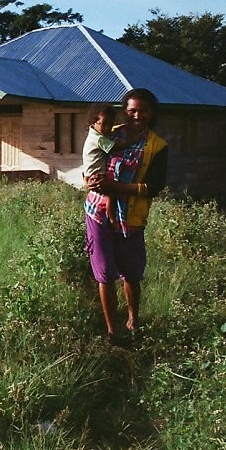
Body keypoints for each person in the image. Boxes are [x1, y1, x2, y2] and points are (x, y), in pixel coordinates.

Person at [84, 89, 169, 345]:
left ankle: (133, 321)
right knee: (105, 273)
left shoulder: (157, 146)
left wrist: (115, 188)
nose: (136, 115)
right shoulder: (110, 132)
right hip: (97, 212)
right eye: (131, 110)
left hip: (129, 218)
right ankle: (113, 331)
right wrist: (89, 182)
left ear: (152, 113)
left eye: (143, 110)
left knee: (131, 273)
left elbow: (153, 187)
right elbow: (91, 163)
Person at [82, 104, 132, 223]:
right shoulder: (99, 139)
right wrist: (130, 142)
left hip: (90, 174)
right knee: (111, 194)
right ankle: (112, 219)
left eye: (110, 124)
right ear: (94, 122)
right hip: (96, 175)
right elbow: (114, 147)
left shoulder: (94, 134)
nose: (107, 128)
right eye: (103, 124)